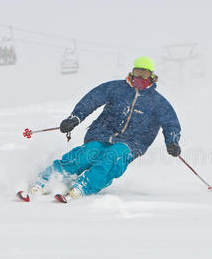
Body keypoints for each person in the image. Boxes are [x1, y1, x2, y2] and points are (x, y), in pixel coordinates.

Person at [29, 56, 182, 200]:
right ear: (132, 72)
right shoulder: (116, 88)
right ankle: (48, 178)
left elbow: (171, 123)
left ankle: (85, 185)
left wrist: (172, 142)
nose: (139, 78)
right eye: (137, 72)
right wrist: (75, 118)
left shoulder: (157, 102)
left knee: (113, 156)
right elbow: (91, 100)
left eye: (144, 74)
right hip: (102, 133)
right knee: (87, 153)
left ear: (151, 76)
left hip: (132, 142)